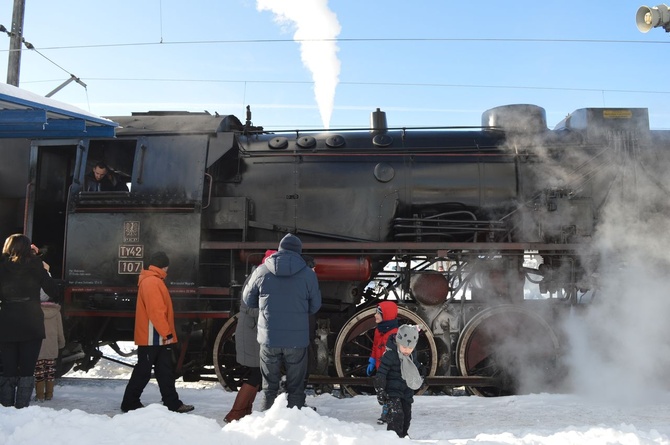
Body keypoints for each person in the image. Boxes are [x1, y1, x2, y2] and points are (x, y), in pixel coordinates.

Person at [243, 233, 322, 410]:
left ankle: (267, 421)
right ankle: (295, 421)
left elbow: (248, 300)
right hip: (296, 341)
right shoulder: (308, 274)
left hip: (269, 339)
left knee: (269, 388)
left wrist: (265, 306)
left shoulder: (262, 270)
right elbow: (315, 306)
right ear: (298, 252)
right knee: (296, 388)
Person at [120, 251, 194, 414]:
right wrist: (167, 333)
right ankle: (130, 402)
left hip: (155, 336)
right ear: (164, 266)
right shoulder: (153, 282)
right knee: (145, 371)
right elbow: (156, 311)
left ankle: (172, 403)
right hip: (153, 336)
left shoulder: (151, 280)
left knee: (163, 371)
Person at [0, 234, 58, 408]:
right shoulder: (36, 266)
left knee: (8, 367)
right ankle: (22, 405)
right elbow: (53, 291)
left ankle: (6, 405)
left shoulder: (2, 266)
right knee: (27, 367)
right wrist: (46, 269)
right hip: (31, 321)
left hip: (7, 321)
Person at [223, 249, 276, 423]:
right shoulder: (258, 278)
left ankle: (244, 411)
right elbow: (248, 308)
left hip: (254, 332)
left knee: (257, 373)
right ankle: (235, 413)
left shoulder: (260, 276)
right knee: (256, 373)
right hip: (252, 333)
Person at [374, 324, 424, 438]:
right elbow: (381, 372)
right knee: (396, 415)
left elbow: (414, 367)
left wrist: (421, 375)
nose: (407, 350)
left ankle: (403, 435)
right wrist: (380, 389)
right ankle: (393, 438)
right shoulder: (391, 354)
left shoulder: (412, 355)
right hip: (392, 391)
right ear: (398, 342)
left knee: (407, 415)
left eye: (410, 348)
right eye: (404, 347)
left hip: (406, 390)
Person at [366, 301, 399, 424]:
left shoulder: (395, 333)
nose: (375, 315)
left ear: (386, 315)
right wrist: (372, 360)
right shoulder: (378, 330)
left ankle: (389, 411)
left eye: (378, 313)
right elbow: (375, 347)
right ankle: (386, 408)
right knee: (382, 388)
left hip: (391, 368)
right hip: (381, 367)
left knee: (391, 389)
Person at [34, 293, 65, 401]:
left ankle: (39, 395)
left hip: (38, 345)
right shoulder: (56, 312)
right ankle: (49, 394)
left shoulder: (34, 310)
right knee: (50, 371)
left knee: (39, 371)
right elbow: (60, 331)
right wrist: (61, 343)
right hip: (52, 345)